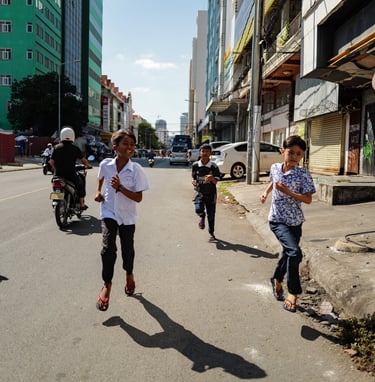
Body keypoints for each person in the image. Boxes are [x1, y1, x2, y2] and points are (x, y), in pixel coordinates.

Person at [94, 129, 149, 311]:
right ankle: (107, 285)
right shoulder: (106, 164)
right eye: (126, 144)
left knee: (128, 251)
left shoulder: (136, 170)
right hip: (109, 212)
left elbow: (138, 198)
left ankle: (129, 274)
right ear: (115, 147)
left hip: (127, 216)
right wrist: (98, 192)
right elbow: (100, 179)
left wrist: (120, 188)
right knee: (108, 249)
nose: (130, 147)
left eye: (132, 144)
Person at [260, 135, 316, 313]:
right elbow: (273, 182)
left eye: (298, 154)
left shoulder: (303, 174)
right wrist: (265, 193)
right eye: (291, 152)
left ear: (302, 156)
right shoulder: (275, 167)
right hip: (277, 220)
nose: (294, 156)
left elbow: (308, 200)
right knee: (294, 252)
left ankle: (276, 279)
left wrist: (288, 192)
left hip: (295, 222)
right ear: (282, 151)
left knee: (288, 253)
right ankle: (293, 293)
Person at [50, 127, 91, 210]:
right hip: (71, 175)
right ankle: (82, 204)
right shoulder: (75, 149)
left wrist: (55, 169)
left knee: (54, 184)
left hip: (58, 175)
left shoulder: (56, 148)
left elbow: (51, 162)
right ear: (72, 136)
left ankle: (56, 198)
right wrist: (88, 165)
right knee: (80, 184)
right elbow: (83, 160)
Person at [191, 143, 221, 241]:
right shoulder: (195, 165)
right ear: (200, 153)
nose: (205, 153)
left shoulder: (214, 166)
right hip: (199, 192)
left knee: (211, 214)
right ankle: (202, 216)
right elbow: (193, 177)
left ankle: (211, 233)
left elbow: (216, 181)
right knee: (198, 209)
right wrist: (193, 182)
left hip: (211, 194)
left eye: (207, 151)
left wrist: (212, 178)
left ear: (210, 153)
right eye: (203, 151)